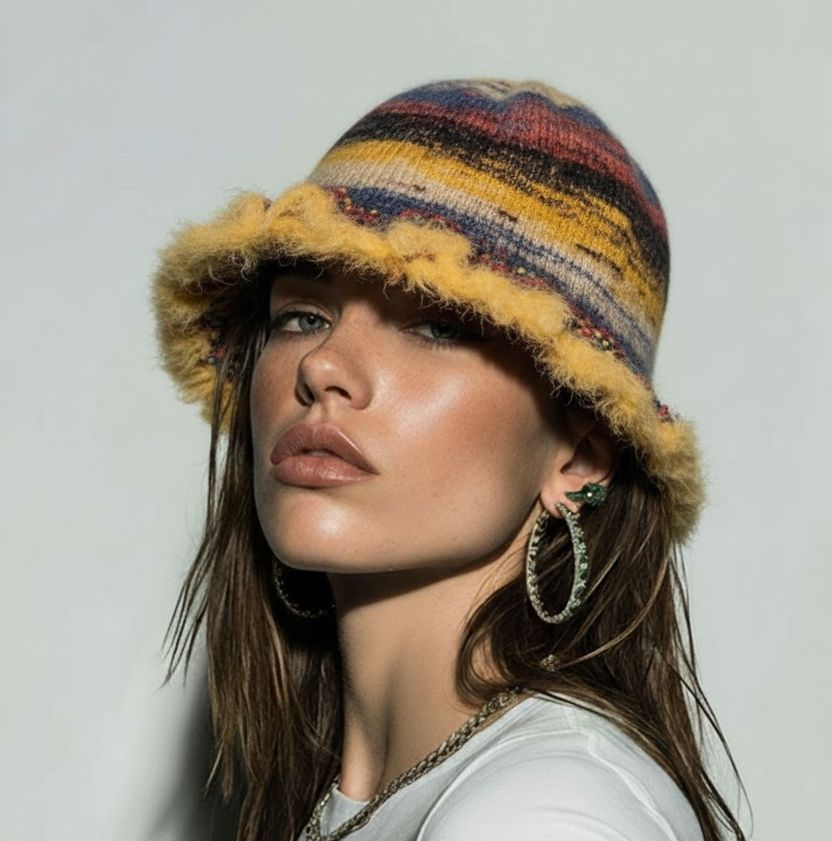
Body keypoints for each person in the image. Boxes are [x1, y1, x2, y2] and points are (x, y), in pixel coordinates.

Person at [152, 79, 748, 841]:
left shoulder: (544, 811)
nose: (325, 365)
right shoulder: (402, 796)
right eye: (303, 315)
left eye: (435, 327)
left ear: (580, 456)